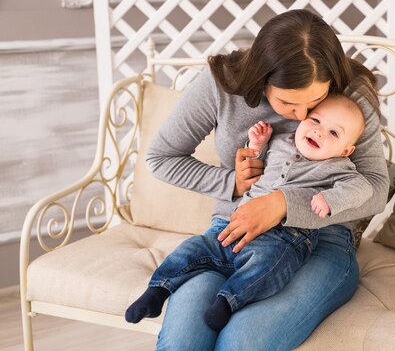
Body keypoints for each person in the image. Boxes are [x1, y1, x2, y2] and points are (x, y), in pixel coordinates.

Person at [145, 9, 389, 351]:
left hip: (322, 240)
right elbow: (161, 158)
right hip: (232, 230)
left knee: (241, 343)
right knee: (183, 340)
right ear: (261, 78)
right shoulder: (219, 87)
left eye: (316, 101)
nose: (303, 117)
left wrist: (283, 205)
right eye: (288, 102)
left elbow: (376, 189)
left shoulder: (350, 95)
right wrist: (233, 182)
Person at [125, 94, 372, 332]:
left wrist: (330, 199)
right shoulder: (281, 141)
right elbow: (256, 164)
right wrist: (256, 145)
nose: (319, 131)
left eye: (333, 132)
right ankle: (157, 291)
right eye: (316, 120)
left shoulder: (340, 168)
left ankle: (227, 301)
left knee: (269, 268)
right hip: (236, 223)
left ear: (345, 151)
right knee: (194, 248)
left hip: (285, 237)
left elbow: (363, 189)